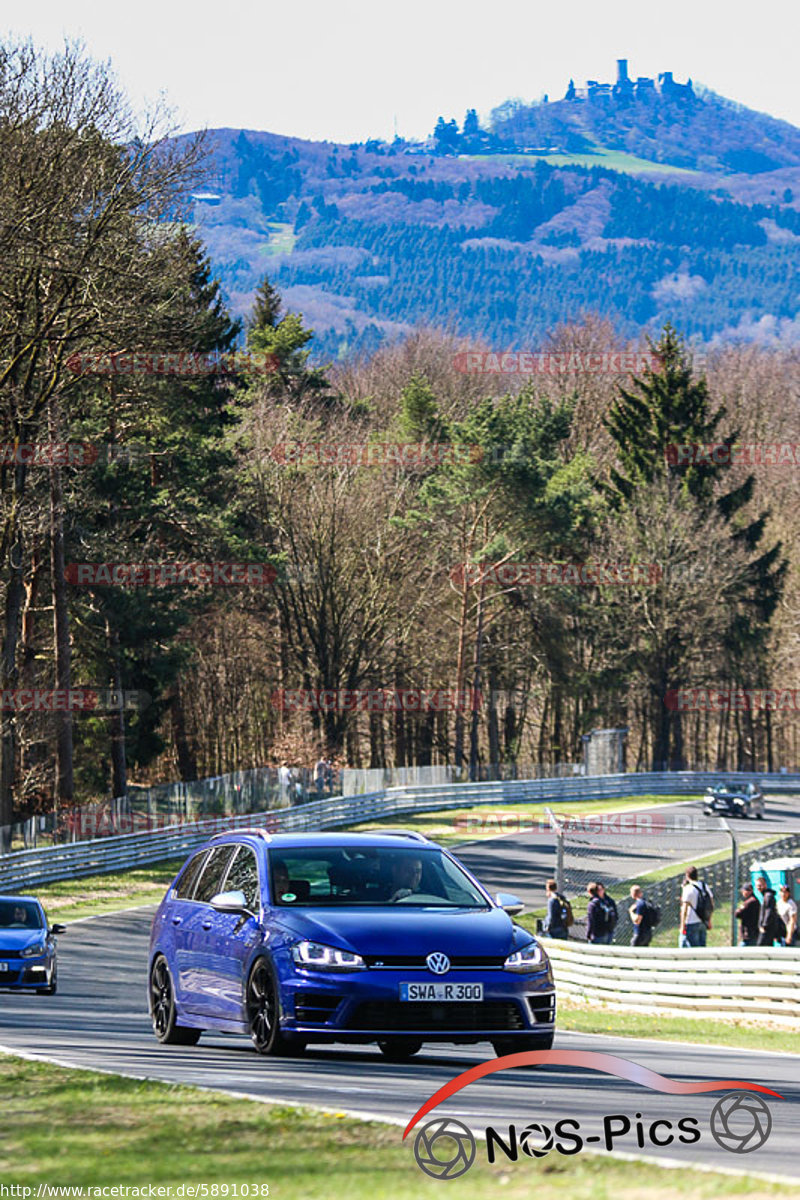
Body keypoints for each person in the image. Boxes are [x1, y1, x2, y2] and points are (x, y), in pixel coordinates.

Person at [679, 865, 713, 948]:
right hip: (702, 921)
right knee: (701, 947)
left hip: (691, 922)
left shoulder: (688, 888)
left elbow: (684, 909)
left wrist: (682, 925)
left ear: (687, 875)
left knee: (690, 947)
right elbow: (711, 904)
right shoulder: (704, 886)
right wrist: (709, 920)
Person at [755, 875, 781, 946]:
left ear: (765, 885)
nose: (758, 888)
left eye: (760, 885)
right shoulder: (765, 896)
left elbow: (769, 912)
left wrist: (764, 926)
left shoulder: (768, 896)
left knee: (761, 946)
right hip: (768, 928)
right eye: (757, 886)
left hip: (767, 928)